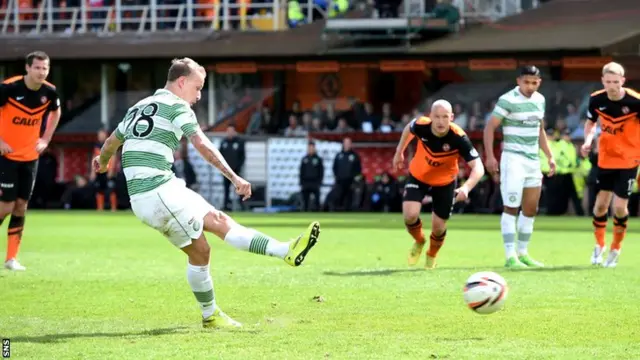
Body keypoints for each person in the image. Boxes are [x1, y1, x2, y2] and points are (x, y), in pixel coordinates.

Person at [92, 58, 321, 328]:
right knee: (201, 251)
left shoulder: (139, 106)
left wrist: (103, 162)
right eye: (198, 87)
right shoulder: (178, 106)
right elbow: (201, 143)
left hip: (163, 187)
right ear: (181, 82)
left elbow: (111, 142)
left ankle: (285, 251)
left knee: (220, 221)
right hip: (156, 192)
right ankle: (210, 315)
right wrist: (234, 176)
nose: (199, 96)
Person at [393, 99, 485, 269]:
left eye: (445, 117)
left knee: (438, 227)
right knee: (410, 215)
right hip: (418, 176)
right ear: (430, 116)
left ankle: (431, 254)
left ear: (452, 117)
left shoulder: (459, 137)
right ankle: (419, 241)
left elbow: (478, 167)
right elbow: (408, 129)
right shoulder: (421, 125)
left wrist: (466, 187)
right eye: (437, 117)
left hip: (445, 182)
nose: (441, 121)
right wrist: (400, 151)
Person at [484, 65, 556, 269]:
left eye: (534, 82)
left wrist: (549, 156)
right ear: (518, 81)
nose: (530, 86)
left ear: (539, 82)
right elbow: (490, 127)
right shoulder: (508, 100)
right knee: (511, 207)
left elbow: (540, 129)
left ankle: (523, 253)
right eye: (526, 82)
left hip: (533, 161)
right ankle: (510, 256)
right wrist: (490, 157)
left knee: (531, 209)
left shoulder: (540, 100)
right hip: (513, 160)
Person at [0, 51, 62, 271]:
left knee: (21, 206)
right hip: (6, 156)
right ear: (27, 68)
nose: (41, 72)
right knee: (6, 206)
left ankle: (11, 259)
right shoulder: (9, 88)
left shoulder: (49, 92)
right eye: (37, 68)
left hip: (30, 157)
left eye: (45, 68)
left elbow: (56, 112)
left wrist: (45, 139)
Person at [580, 62, 640, 268]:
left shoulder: (635, 101)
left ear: (623, 81)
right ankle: (599, 244)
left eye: (616, 82)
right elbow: (590, 123)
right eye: (608, 82)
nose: (612, 86)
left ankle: (616, 248)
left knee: (619, 207)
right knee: (600, 206)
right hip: (605, 158)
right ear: (603, 81)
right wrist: (588, 141)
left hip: (629, 159)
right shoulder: (596, 99)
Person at [93, 129, 118, 211]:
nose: (100, 136)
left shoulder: (109, 144)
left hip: (108, 170)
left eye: (102, 135)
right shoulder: (96, 146)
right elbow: (94, 158)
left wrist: (111, 171)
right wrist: (93, 171)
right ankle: (100, 208)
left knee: (111, 189)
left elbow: (113, 158)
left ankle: (113, 208)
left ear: (105, 135)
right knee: (99, 189)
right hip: (99, 170)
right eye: (99, 135)